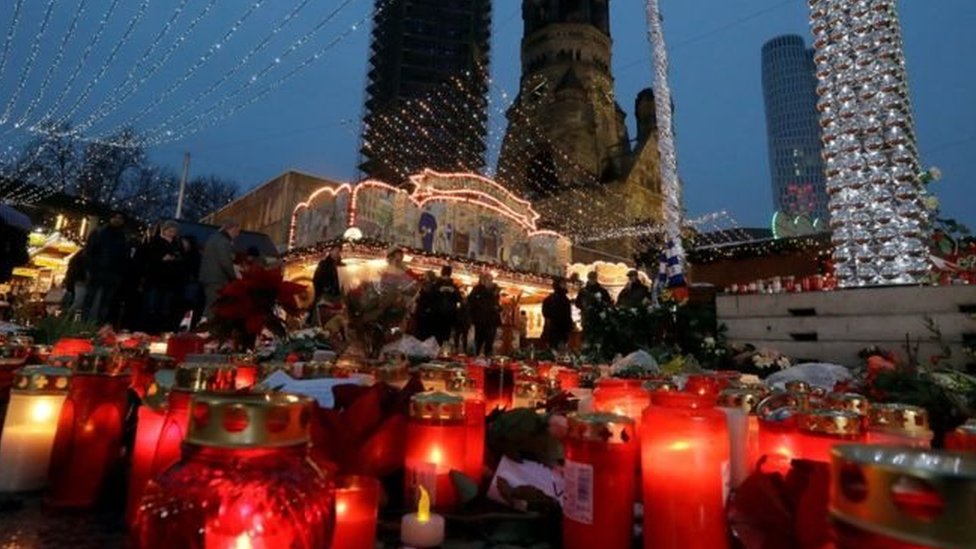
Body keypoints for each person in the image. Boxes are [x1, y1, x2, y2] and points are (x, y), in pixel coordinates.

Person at [83, 211, 130, 325]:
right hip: (98, 270)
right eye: (115, 217)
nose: (117, 220)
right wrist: (91, 268)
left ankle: (99, 324)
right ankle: (83, 323)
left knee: (105, 302)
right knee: (90, 299)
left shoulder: (123, 236)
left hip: (113, 273)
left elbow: (125, 256)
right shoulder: (99, 233)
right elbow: (89, 251)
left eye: (120, 218)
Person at [141, 221, 184, 333]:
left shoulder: (176, 244)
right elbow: (148, 258)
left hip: (169, 280)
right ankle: (149, 328)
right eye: (170, 231)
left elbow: (181, 257)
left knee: (165, 307)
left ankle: (161, 328)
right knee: (152, 305)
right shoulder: (156, 242)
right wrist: (161, 259)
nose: (172, 233)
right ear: (164, 230)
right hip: (156, 278)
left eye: (174, 231)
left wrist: (174, 258)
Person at [200, 221, 241, 319]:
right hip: (217, 279)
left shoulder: (214, 238)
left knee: (211, 304)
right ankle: (206, 329)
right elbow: (225, 262)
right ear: (231, 229)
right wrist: (233, 277)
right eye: (237, 231)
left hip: (210, 277)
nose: (237, 234)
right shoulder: (223, 241)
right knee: (214, 306)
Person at [467, 272, 501, 357]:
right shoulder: (478, 289)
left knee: (489, 342)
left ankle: (487, 357)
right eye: (489, 280)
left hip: (492, 320)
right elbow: (471, 301)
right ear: (484, 280)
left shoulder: (494, 291)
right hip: (481, 320)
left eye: (491, 280)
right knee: (479, 340)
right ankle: (477, 357)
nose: (491, 282)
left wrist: (498, 308)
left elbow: (496, 304)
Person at [310, 246, 342, 326]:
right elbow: (317, 279)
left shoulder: (340, 266)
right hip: (325, 294)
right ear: (331, 252)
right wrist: (324, 287)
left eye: (338, 252)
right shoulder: (324, 264)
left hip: (337, 295)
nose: (337, 254)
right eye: (335, 251)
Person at [430, 265, 460, 345]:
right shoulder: (437, 285)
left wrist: (453, 291)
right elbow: (430, 296)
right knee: (441, 335)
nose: (446, 277)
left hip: (443, 314)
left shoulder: (438, 284)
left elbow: (459, 298)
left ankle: (440, 350)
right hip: (442, 314)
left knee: (442, 335)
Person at [541, 278, 573, 351]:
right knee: (558, 348)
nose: (565, 285)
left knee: (555, 348)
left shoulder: (550, 299)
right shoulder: (561, 300)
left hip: (556, 328)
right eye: (563, 284)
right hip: (558, 328)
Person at [180, 235, 203, 328]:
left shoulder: (191, 255)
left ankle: (185, 325)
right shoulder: (195, 255)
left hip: (190, 283)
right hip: (191, 282)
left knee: (187, 305)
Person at [61, 249, 88, 316]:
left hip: (77, 281)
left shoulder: (78, 256)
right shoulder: (84, 256)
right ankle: (66, 317)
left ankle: (65, 318)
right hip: (81, 281)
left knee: (76, 303)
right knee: (78, 304)